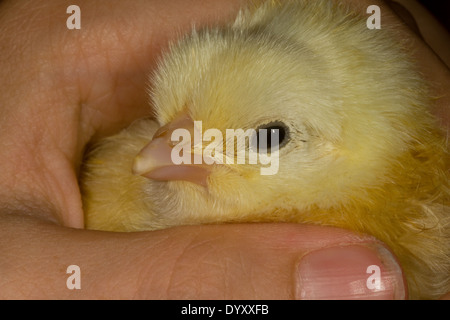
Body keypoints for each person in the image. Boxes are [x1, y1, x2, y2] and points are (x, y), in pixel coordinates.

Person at [0, 0, 448, 299]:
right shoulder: (102, 199)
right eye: (163, 121)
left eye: (265, 139)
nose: (163, 148)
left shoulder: (415, 243)